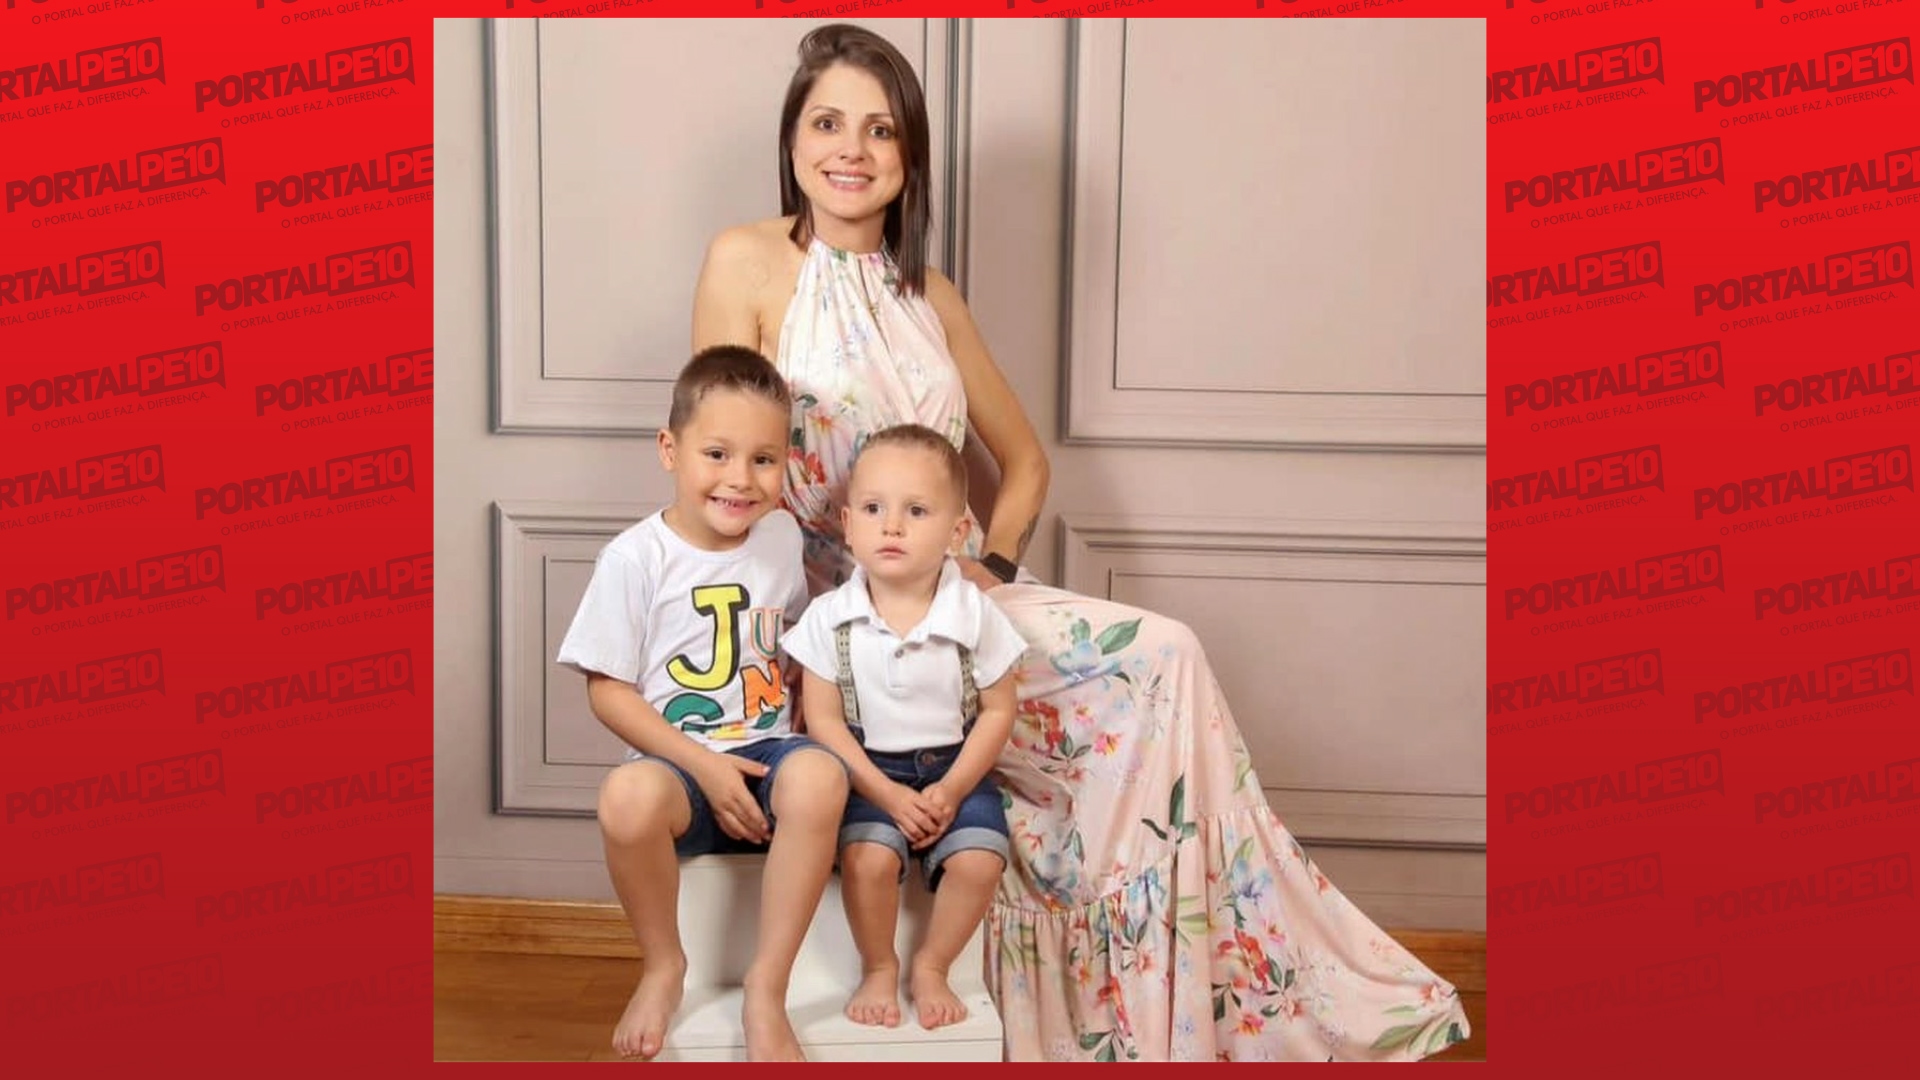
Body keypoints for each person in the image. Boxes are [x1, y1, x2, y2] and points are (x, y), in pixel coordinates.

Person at [689, 24, 1471, 1061]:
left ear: (910, 154)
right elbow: (723, 464)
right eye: (828, 123)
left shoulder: (931, 297)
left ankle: (1176, 1002)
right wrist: (773, 635)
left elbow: (1025, 464)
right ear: (792, 139)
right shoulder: (746, 261)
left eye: (881, 130)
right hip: (830, 618)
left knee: (1169, 654)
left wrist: (988, 567)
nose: (852, 150)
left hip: (954, 601)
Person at [554, 345, 850, 1063]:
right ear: (670, 449)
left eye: (763, 460)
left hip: (767, 751)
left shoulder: (781, 536)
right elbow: (607, 690)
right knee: (625, 798)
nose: (740, 479)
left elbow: (792, 640)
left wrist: (812, 710)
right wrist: (705, 768)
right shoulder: (636, 558)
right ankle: (664, 964)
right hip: (680, 767)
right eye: (717, 454)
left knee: (822, 777)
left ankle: (766, 989)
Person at [782, 424, 1028, 1032]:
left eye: (916, 511)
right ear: (847, 523)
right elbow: (824, 721)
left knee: (980, 863)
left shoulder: (974, 614)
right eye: (873, 509)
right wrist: (886, 794)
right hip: (869, 773)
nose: (891, 526)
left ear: (957, 532)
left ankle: (933, 964)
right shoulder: (829, 617)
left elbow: (998, 710)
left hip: (955, 769)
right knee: (867, 860)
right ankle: (878, 964)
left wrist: (953, 788)